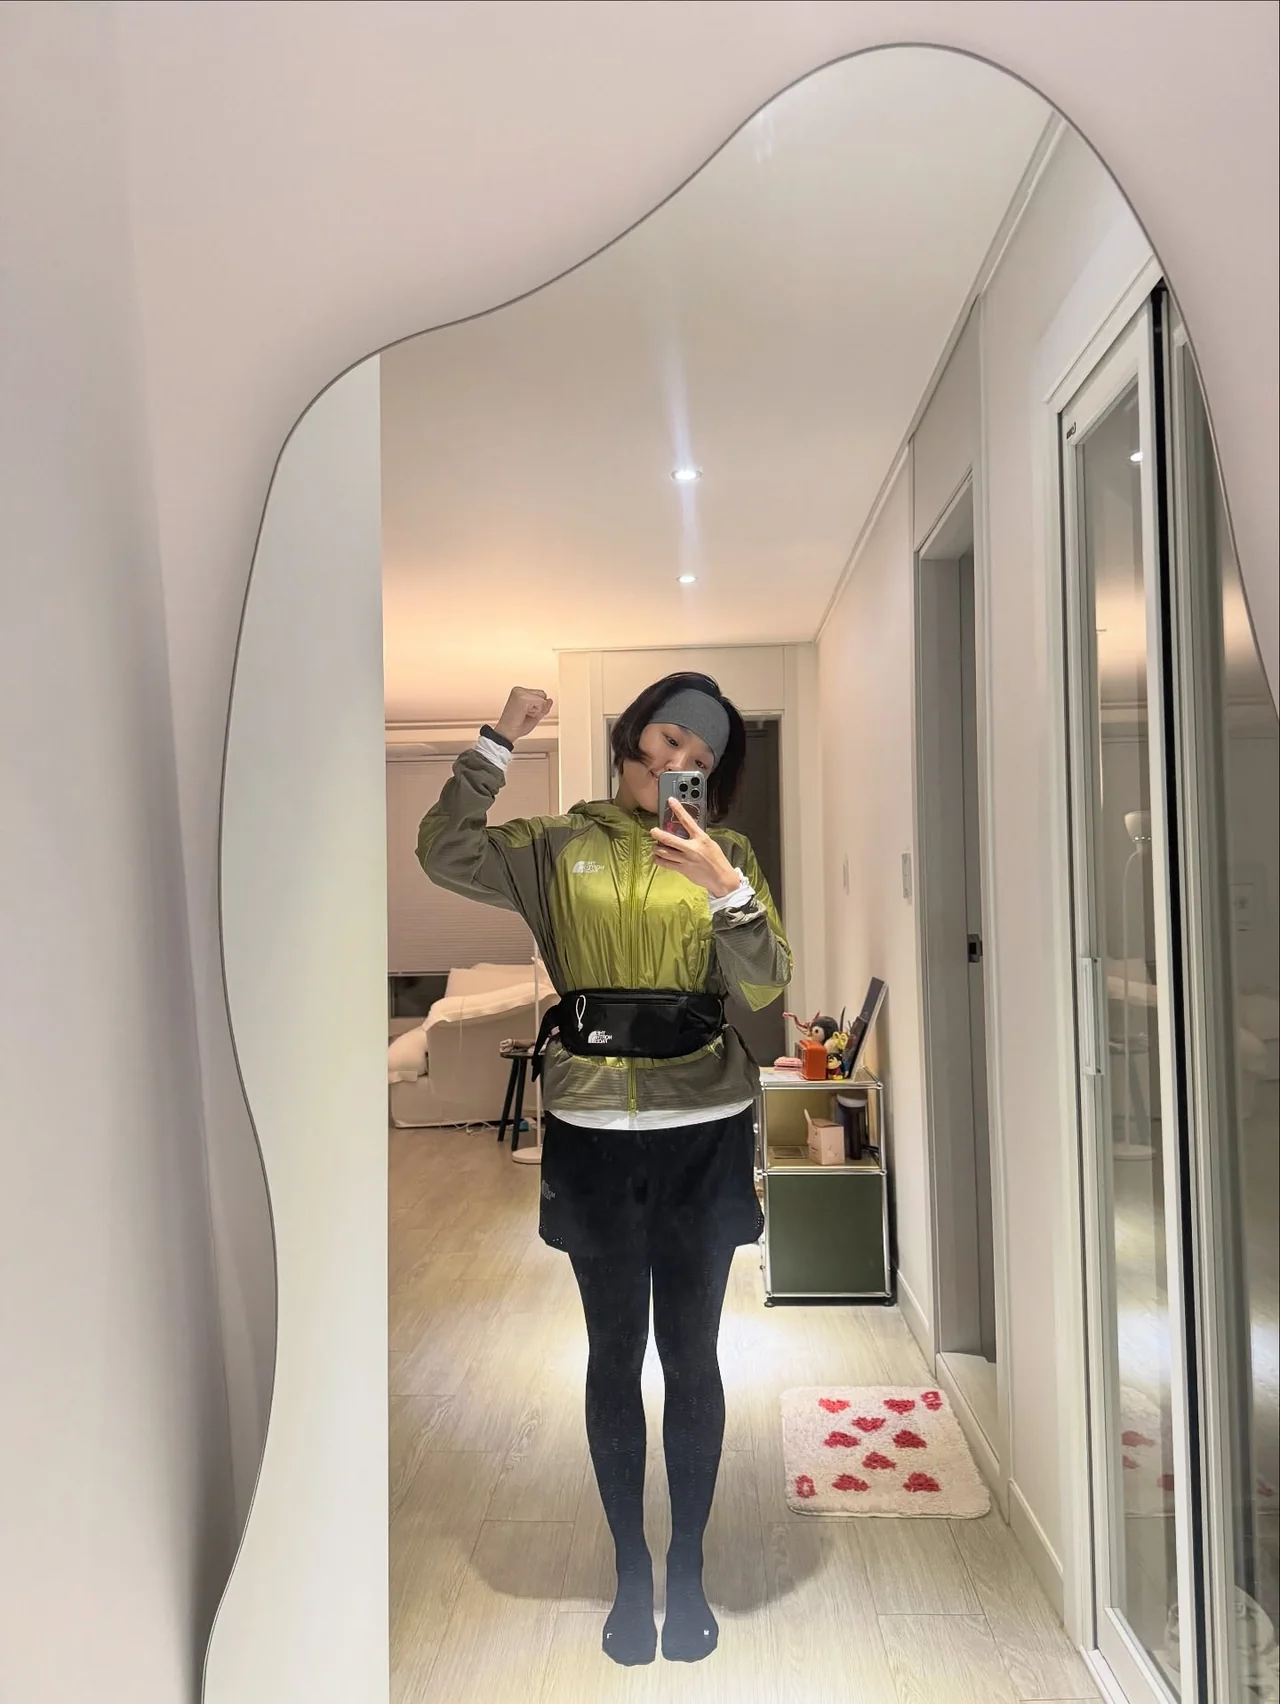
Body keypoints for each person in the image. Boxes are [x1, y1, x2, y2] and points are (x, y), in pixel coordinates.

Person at [417, 672, 791, 1667]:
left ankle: (689, 1567)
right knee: (614, 1351)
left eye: (699, 760)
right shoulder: (554, 845)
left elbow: (765, 982)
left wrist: (726, 888)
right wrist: (498, 739)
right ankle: (632, 1568)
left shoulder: (727, 855)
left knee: (692, 1352)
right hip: (590, 1126)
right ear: (630, 738)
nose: (677, 766)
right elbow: (444, 851)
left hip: (703, 1126)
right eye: (666, 742)